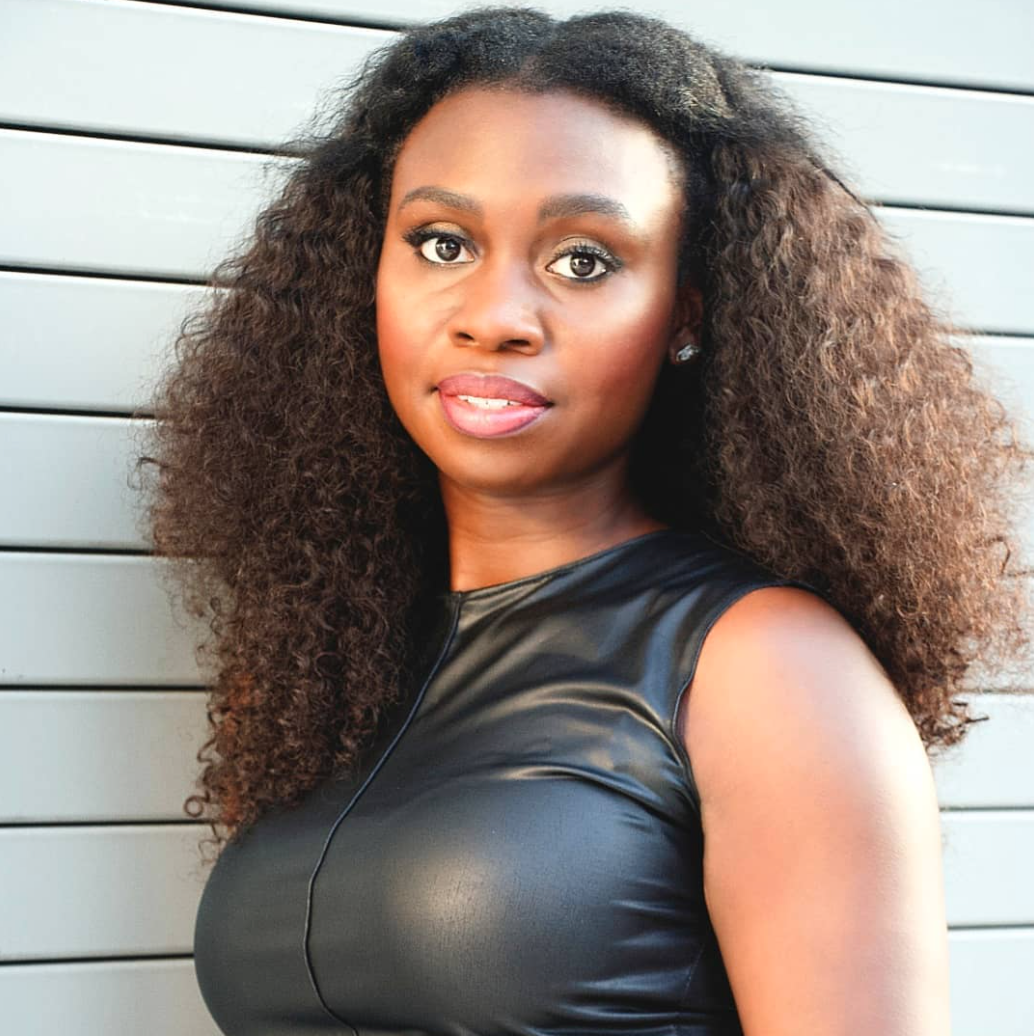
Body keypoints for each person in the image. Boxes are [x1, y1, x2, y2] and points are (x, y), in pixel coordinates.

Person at [136, 6, 1033, 1035]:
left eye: (582, 260)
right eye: (440, 242)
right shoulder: (331, 663)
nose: (494, 315)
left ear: (684, 314)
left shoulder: (762, 667)